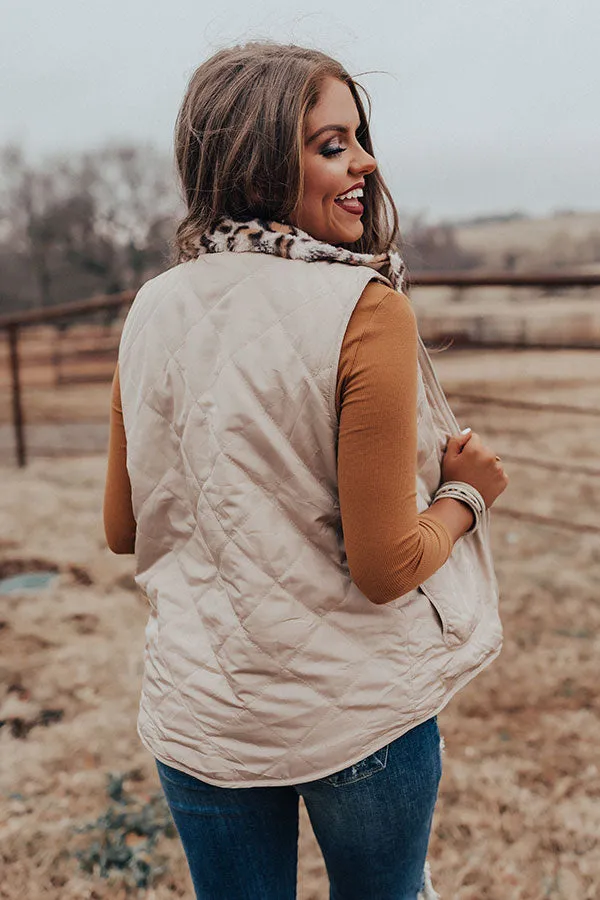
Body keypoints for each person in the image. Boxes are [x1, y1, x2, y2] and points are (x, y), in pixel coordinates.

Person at [103, 42, 507, 900]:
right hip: (354, 716)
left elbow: (121, 527)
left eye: (358, 138)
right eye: (331, 145)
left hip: (201, 714)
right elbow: (386, 564)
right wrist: (467, 496)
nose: (365, 162)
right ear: (253, 162)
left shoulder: (152, 306)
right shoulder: (365, 308)